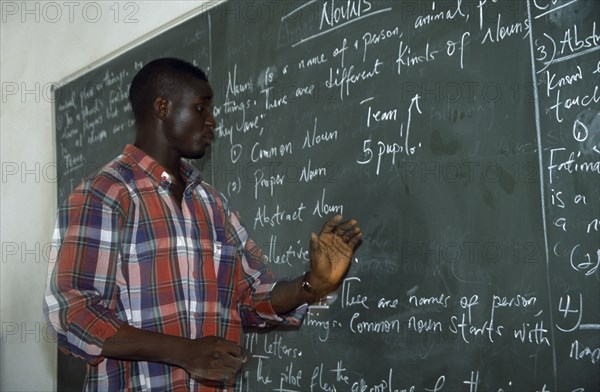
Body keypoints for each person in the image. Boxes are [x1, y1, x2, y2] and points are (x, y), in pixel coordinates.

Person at [44, 57, 362, 391]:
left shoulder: (212, 204)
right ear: (163, 107)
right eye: (201, 108)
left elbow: (251, 298)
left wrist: (313, 283)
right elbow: (72, 313)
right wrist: (183, 351)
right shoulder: (106, 194)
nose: (212, 122)